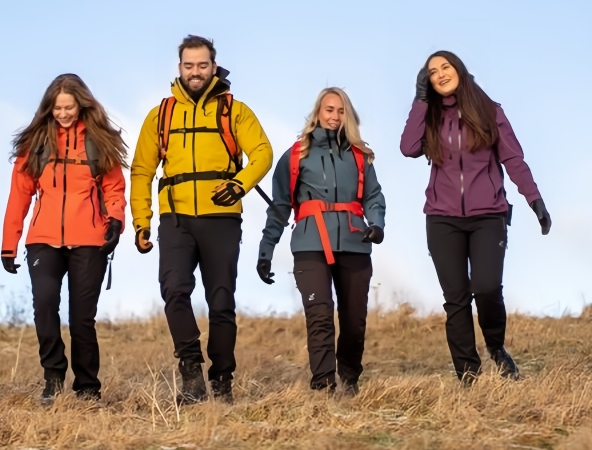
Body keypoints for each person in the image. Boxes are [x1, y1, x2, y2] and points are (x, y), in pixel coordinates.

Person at [130, 35, 273, 405]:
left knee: (221, 299)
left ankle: (222, 378)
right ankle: (190, 368)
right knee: (174, 290)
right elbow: (142, 170)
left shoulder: (233, 110)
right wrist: (141, 221)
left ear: (214, 66)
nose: (195, 72)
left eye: (202, 65)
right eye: (189, 65)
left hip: (222, 216)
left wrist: (239, 186)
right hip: (175, 217)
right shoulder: (160, 114)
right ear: (179, 68)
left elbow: (262, 152)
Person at [400, 50, 551, 384]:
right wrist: (419, 100)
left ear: (459, 69)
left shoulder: (489, 111)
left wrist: (534, 199)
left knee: (485, 288)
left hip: (488, 216)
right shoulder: (430, 116)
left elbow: (513, 159)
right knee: (455, 298)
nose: (440, 74)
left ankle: (496, 348)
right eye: (432, 72)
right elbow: (408, 147)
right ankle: (468, 373)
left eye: (445, 67)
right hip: (441, 218)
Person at [2, 73, 128, 405]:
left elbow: (114, 189)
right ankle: (53, 378)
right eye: (57, 108)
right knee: (44, 307)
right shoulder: (36, 144)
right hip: (43, 239)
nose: (63, 114)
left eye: (69, 107)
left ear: (81, 104)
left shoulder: (99, 141)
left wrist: (115, 222)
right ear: (49, 107)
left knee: (82, 317)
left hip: (89, 239)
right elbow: (19, 196)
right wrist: (8, 243)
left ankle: (87, 387)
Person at [257, 87, 386, 397]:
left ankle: (350, 378)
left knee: (354, 320)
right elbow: (279, 206)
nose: (334, 116)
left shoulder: (360, 156)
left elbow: (373, 196)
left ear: (348, 116)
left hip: (355, 242)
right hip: (309, 244)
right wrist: (266, 252)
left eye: (341, 111)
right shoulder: (296, 155)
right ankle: (323, 384)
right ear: (318, 113)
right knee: (319, 313)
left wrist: (377, 225)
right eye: (329, 110)